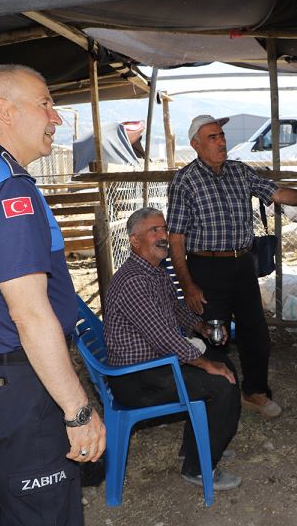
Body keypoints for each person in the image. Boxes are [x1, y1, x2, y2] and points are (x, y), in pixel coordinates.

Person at [0, 64, 105, 525]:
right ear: (4, 111)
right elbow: (30, 313)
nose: (57, 117)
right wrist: (77, 409)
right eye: (45, 103)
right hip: (21, 384)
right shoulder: (9, 187)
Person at [167, 114, 297, 418]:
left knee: (256, 332)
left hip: (242, 264)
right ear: (196, 145)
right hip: (205, 267)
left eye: (221, 136)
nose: (221, 141)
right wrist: (187, 284)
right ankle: (212, 398)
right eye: (212, 137)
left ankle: (254, 391)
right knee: (211, 334)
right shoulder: (185, 181)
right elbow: (176, 239)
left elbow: (276, 192)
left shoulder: (240, 171)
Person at [104, 207, 242, 490]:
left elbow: (176, 311)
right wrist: (204, 363)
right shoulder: (134, 281)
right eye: (153, 230)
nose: (163, 236)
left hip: (153, 366)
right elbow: (164, 338)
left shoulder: (155, 271)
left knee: (222, 365)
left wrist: (200, 327)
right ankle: (197, 468)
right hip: (137, 380)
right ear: (134, 240)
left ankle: (201, 445)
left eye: (164, 229)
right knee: (220, 383)